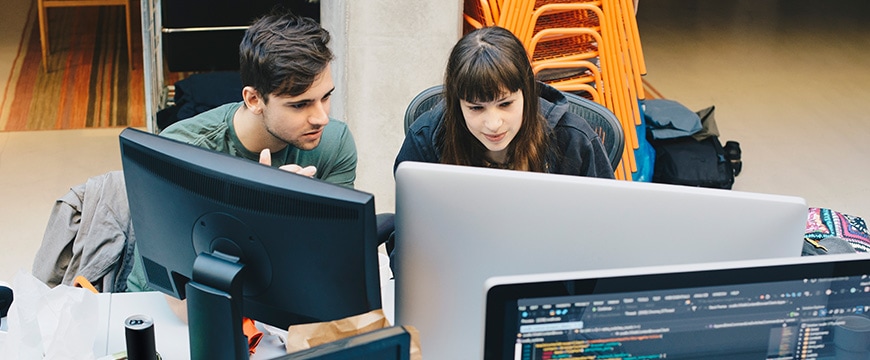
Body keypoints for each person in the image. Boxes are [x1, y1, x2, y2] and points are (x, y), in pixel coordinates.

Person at [126, 10, 357, 294]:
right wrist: (259, 214)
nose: (321, 117)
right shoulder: (182, 152)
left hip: (277, 315)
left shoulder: (334, 143)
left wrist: (296, 220)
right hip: (176, 311)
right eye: (300, 105)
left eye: (326, 97)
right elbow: (159, 287)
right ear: (254, 99)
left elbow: (335, 268)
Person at [394, 26, 614, 178]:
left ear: (527, 93)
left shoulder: (573, 139)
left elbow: (606, 227)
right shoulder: (427, 136)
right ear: (456, 104)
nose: (493, 123)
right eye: (476, 108)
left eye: (505, 104)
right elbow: (408, 231)